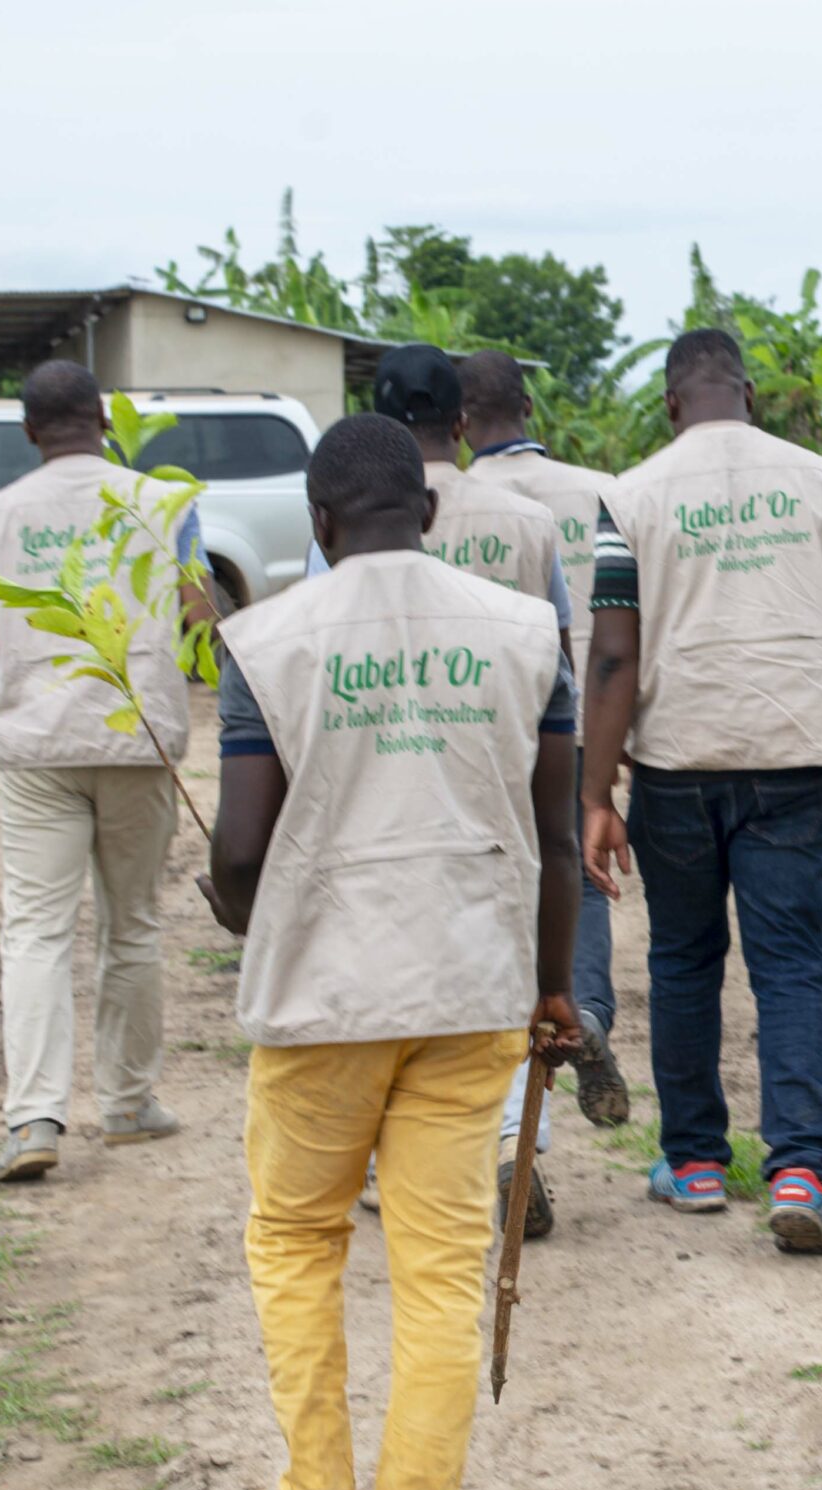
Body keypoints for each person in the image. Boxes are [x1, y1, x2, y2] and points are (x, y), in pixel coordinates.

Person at [203, 412, 579, 1490]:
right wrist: (553, 987)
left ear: (319, 523)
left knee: (297, 1240)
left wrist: (234, 905)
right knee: (436, 1270)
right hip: (471, 990)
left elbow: (244, 852)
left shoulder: (264, 641)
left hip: (321, 1002)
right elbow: (559, 842)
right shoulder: (525, 631)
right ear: (426, 512)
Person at [579, 328, 822, 1255]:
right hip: (794, 754)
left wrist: (598, 794)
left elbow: (615, 653)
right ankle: (798, 1169)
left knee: (682, 962)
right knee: (790, 964)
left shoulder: (629, 496)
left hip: (677, 761)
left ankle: (697, 1163)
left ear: (672, 405)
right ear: (748, 394)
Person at [307, 344, 573, 1235]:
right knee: (498, 943)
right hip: (505, 753)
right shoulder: (528, 519)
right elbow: (558, 651)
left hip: (384, 756)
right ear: (461, 423)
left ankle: (410, 1148)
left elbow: (320, 647)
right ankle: (504, 1139)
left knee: (398, 952)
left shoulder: (345, 517)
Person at [0, 360, 211, 1185]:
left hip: (35, 742)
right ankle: (131, 1103)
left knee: (34, 929)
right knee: (132, 921)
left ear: (30, 431)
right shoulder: (161, 502)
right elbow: (198, 613)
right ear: (103, 419)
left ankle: (33, 1116)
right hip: (135, 735)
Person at [462, 349, 635, 1132]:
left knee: (493, 878)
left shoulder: (451, 504)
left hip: (474, 720)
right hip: (579, 712)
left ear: (460, 422)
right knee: (576, 859)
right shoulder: (600, 489)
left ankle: (505, 1038)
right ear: (529, 407)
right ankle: (588, 1005)